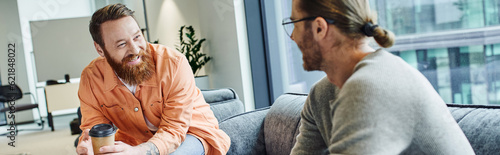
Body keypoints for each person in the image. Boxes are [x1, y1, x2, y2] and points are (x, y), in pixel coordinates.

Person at [284, 0, 475, 154]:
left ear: (319, 28)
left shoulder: (368, 88)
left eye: (295, 23)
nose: (292, 36)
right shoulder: (321, 94)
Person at [76, 4, 230, 155]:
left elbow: (174, 129)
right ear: (100, 49)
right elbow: (95, 129)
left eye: (137, 37)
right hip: (135, 143)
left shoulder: (174, 64)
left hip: (191, 134)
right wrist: (91, 146)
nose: (135, 50)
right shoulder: (91, 78)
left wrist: (139, 151)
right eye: (122, 44)